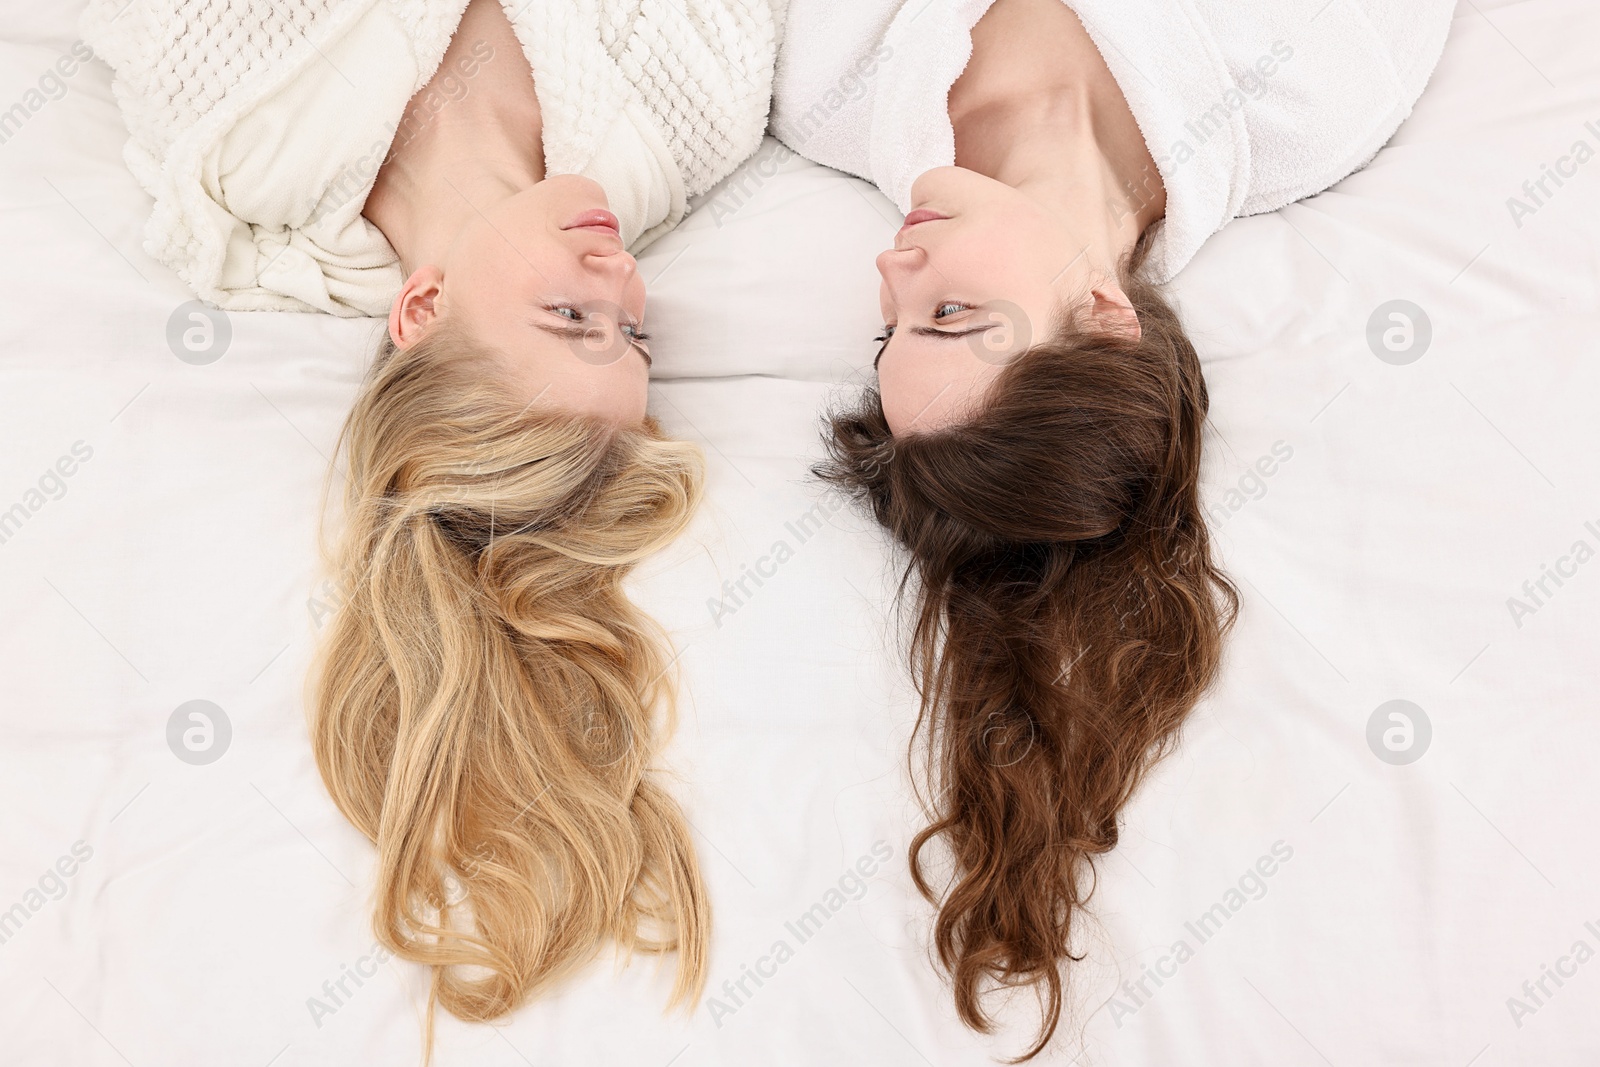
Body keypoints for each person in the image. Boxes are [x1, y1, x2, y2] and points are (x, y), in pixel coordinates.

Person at [82, 0, 777, 1047]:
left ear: (419, 311)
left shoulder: (234, 121)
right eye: (628, 331)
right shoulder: (694, 111)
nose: (622, 276)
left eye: (570, 317)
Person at [772, 0, 1454, 1056]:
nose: (893, 269)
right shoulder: (1317, 80)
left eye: (893, 325)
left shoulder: (829, 79)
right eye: (949, 315)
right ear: (1100, 312)